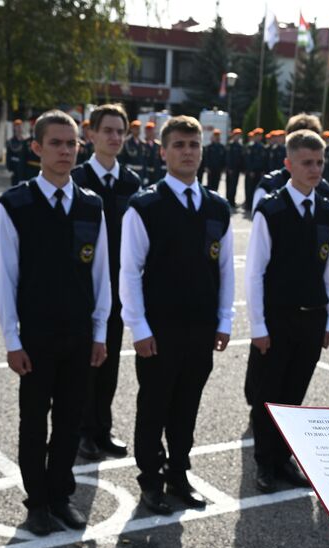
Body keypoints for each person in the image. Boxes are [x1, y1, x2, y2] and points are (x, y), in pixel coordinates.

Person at [0, 111, 111, 535]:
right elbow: (5, 279)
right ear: (37, 148)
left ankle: (61, 494)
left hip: (79, 335)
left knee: (69, 419)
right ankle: (37, 501)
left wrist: (100, 333)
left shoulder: (90, 204)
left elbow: (101, 274)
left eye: (72, 143)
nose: (65, 151)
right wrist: (12, 340)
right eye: (56, 143)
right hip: (37, 336)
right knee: (33, 420)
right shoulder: (16, 204)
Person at [120, 115, 235, 515]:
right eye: (180, 145)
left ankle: (179, 473)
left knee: (187, 406)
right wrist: (138, 326)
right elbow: (130, 271)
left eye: (194, 145)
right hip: (159, 328)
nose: (188, 152)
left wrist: (224, 320)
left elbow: (225, 269)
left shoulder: (217, 207)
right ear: (163, 151)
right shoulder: (145, 206)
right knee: (154, 405)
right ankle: (150, 479)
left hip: (201, 327)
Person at [245, 128, 329, 492]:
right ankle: (264, 463)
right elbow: (254, 272)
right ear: (288, 165)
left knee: (294, 395)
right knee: (269, 394)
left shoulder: (327, 211)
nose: (314, 169)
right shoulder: (271, 209)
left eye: (319, 163)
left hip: (312, 316)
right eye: (306, 163)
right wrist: (258, 326)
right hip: (278, 317)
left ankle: (284, 459)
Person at [74, 102, 142, 461]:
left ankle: (103, 427)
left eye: (121, 131)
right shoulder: (77, 180)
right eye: (108, 131)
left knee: (111, 360)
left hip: (118, 288)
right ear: (91, 135)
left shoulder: (132, 183)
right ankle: (82, 430)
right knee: (87, 362)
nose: (115, 137)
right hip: (85, 288)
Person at [224, 127, 245, 204]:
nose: (238, 136)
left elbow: (241, 158)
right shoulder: (230, 144)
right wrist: (229, 168)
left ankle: (232, 200)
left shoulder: (240, 146)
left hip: (237, 169)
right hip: (231, 169)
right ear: (234, 135)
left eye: (239, 135)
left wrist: (242, 168)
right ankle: (228, 200)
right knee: (229, 184)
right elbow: (228, 157)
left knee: (235, 184)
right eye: (237, 135)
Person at [6, 118, 28, 185]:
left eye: (20, 126)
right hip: (14, 168)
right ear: (14, 128)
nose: (19, 128)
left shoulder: (26, 141)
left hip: (24, 169)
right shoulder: (11, 141)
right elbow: (8, 156)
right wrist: (9, 169)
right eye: (17, 126)